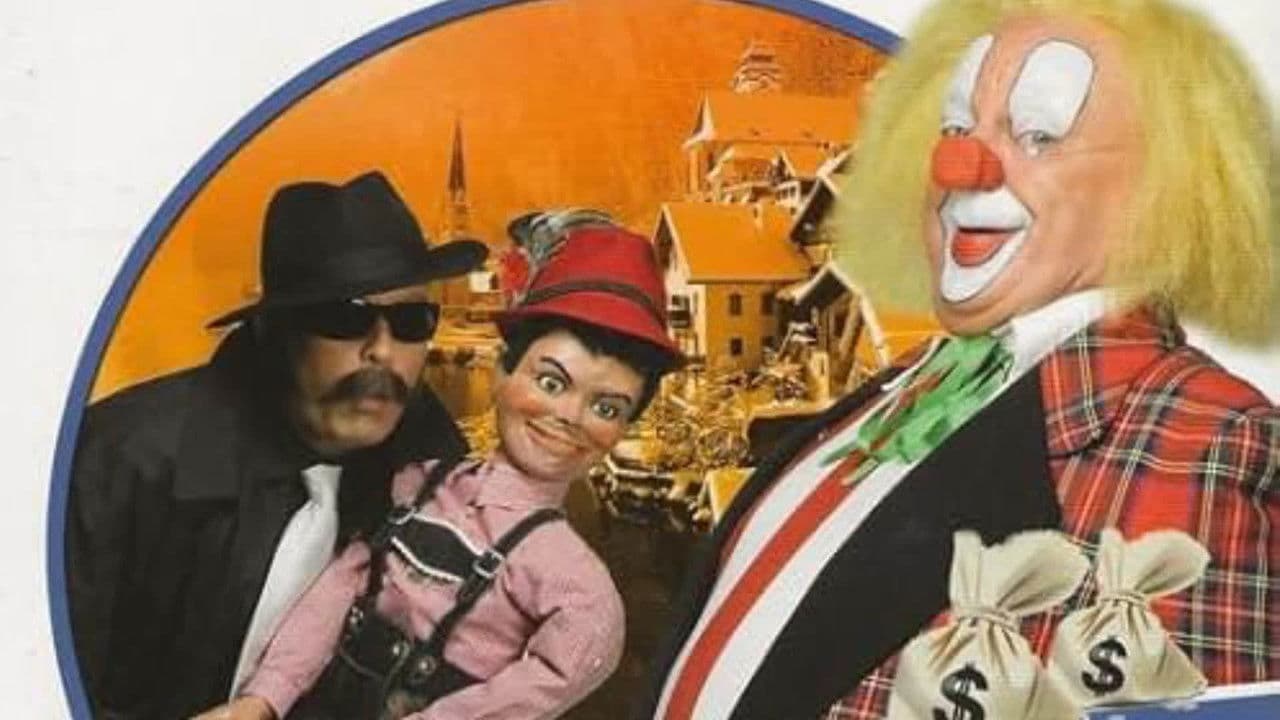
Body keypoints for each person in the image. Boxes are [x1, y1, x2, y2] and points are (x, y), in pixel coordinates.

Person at [637, 1, 1280, 718]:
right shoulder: (909, 385)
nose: (959, 165)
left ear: (1165, 188)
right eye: (954, 128)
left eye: (1038, 135)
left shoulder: (1210, 443)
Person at [199, 223, 682, 719]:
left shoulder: (579, 590)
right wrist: (265, 698)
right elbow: (341, 587)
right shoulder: (419, 482)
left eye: (607, 408)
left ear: (624, 428)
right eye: (551, 383)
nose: (569, 417)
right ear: (501, 373)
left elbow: (528, 695)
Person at [65, 170, 487, 719]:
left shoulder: (437, 469)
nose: (383, 351)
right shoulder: (119, 461)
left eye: (411, 321)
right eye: (345, 317)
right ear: (275, 330)